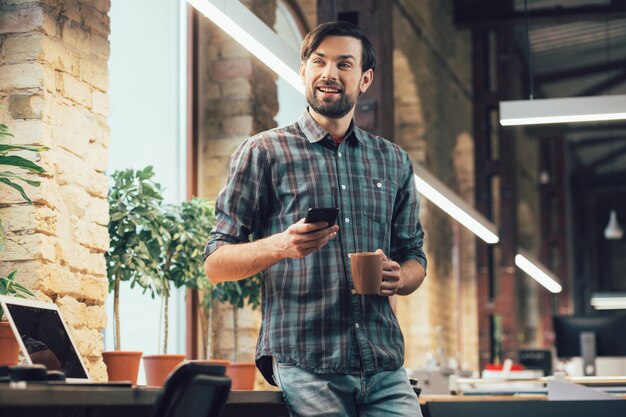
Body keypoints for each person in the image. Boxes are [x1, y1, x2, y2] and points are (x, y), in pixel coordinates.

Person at [204, 21, 427, 417]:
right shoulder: (264, 152)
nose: (330, 73)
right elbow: (215, 264)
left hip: (384, 366)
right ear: (304, 70)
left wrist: (401, 277)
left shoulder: (393, 160)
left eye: (344, 64)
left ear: (365, 79)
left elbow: (415, 258)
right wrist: (281, 245)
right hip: (307, 364)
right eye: (319, 62)